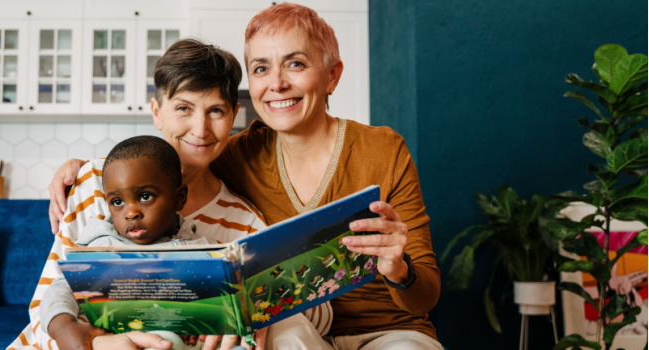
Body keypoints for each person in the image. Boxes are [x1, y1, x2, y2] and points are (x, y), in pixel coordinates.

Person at [48, 4, 444, 349]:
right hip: (297, 334)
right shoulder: (237, 153)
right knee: (285, 329)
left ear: (332, 76)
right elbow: (173, 163)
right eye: (261, 68)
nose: (276, 84)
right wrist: (89, 170)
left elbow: (425, 296)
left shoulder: (382, 149)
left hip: (388, 330)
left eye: (296, 63)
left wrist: (400, 269)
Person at [12, 38, 336, 350]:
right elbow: (45, 308)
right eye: (183, 108)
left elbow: (313, 316)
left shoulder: (244, 223)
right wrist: (96, 342)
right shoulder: (95, 181)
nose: (200, 129)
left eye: (216, 111)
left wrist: (260, 310)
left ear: (234, 116)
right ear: (156, 111)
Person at [42, 135, 218, 349]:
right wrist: (64, 328)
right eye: (117, 202)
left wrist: (204, 323)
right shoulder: (103, 249)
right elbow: (60, 290)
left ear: (179, 198)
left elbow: (219, 305)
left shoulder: (203, 249)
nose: (131, 213)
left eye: (145, 197)